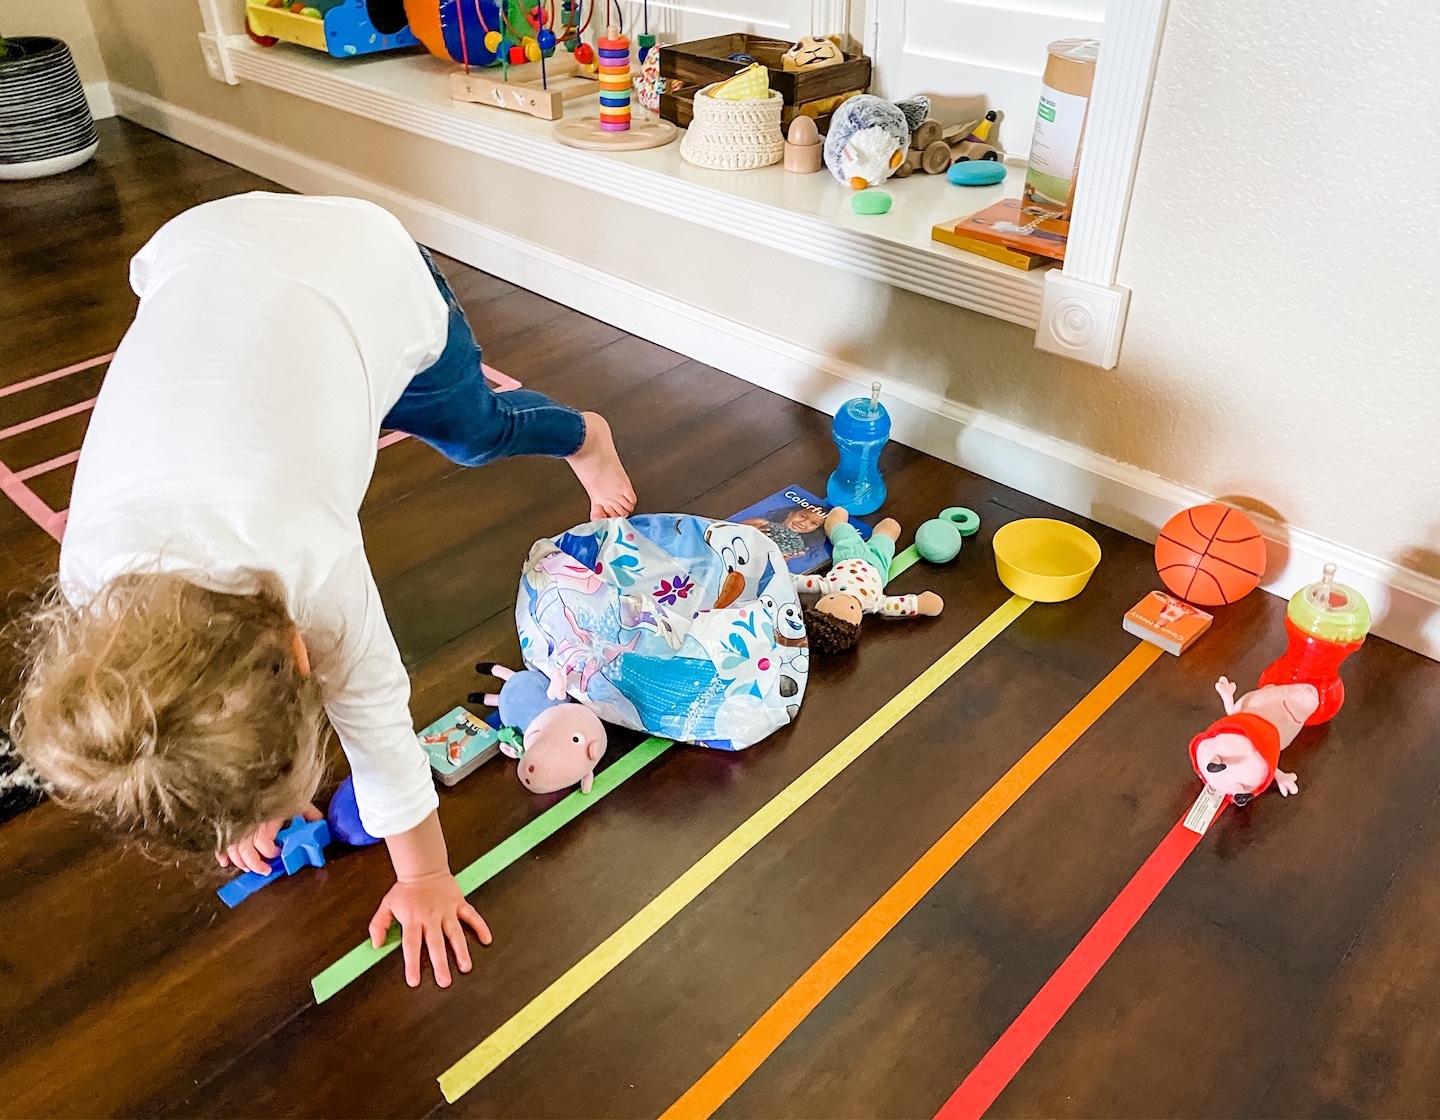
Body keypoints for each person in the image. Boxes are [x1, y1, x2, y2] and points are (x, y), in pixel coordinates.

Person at [8, 193, 635, 989]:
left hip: (366, 266)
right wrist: (243, 794)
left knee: (473, 432)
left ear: (303, 648)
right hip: (195, 248)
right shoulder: (94, 588)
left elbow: (378, 726)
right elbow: (174, 710)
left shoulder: (308, 561)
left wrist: (425, 878)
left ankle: (583, 434)